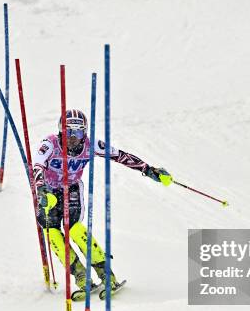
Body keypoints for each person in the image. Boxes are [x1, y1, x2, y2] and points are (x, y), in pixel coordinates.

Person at [33, 109, 171, 295]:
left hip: (71, 189)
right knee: (52, 233)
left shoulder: (91, 145)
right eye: (69, 132)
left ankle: (106, 275)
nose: (73, 137)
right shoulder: (50, 143)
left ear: (85, 132)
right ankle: (81, 276)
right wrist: (41, 189)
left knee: (74, 229)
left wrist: (147, 169)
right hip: (48, 191)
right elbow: (38, 165)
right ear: (60, 131)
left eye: (79, 132)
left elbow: (120, 155)